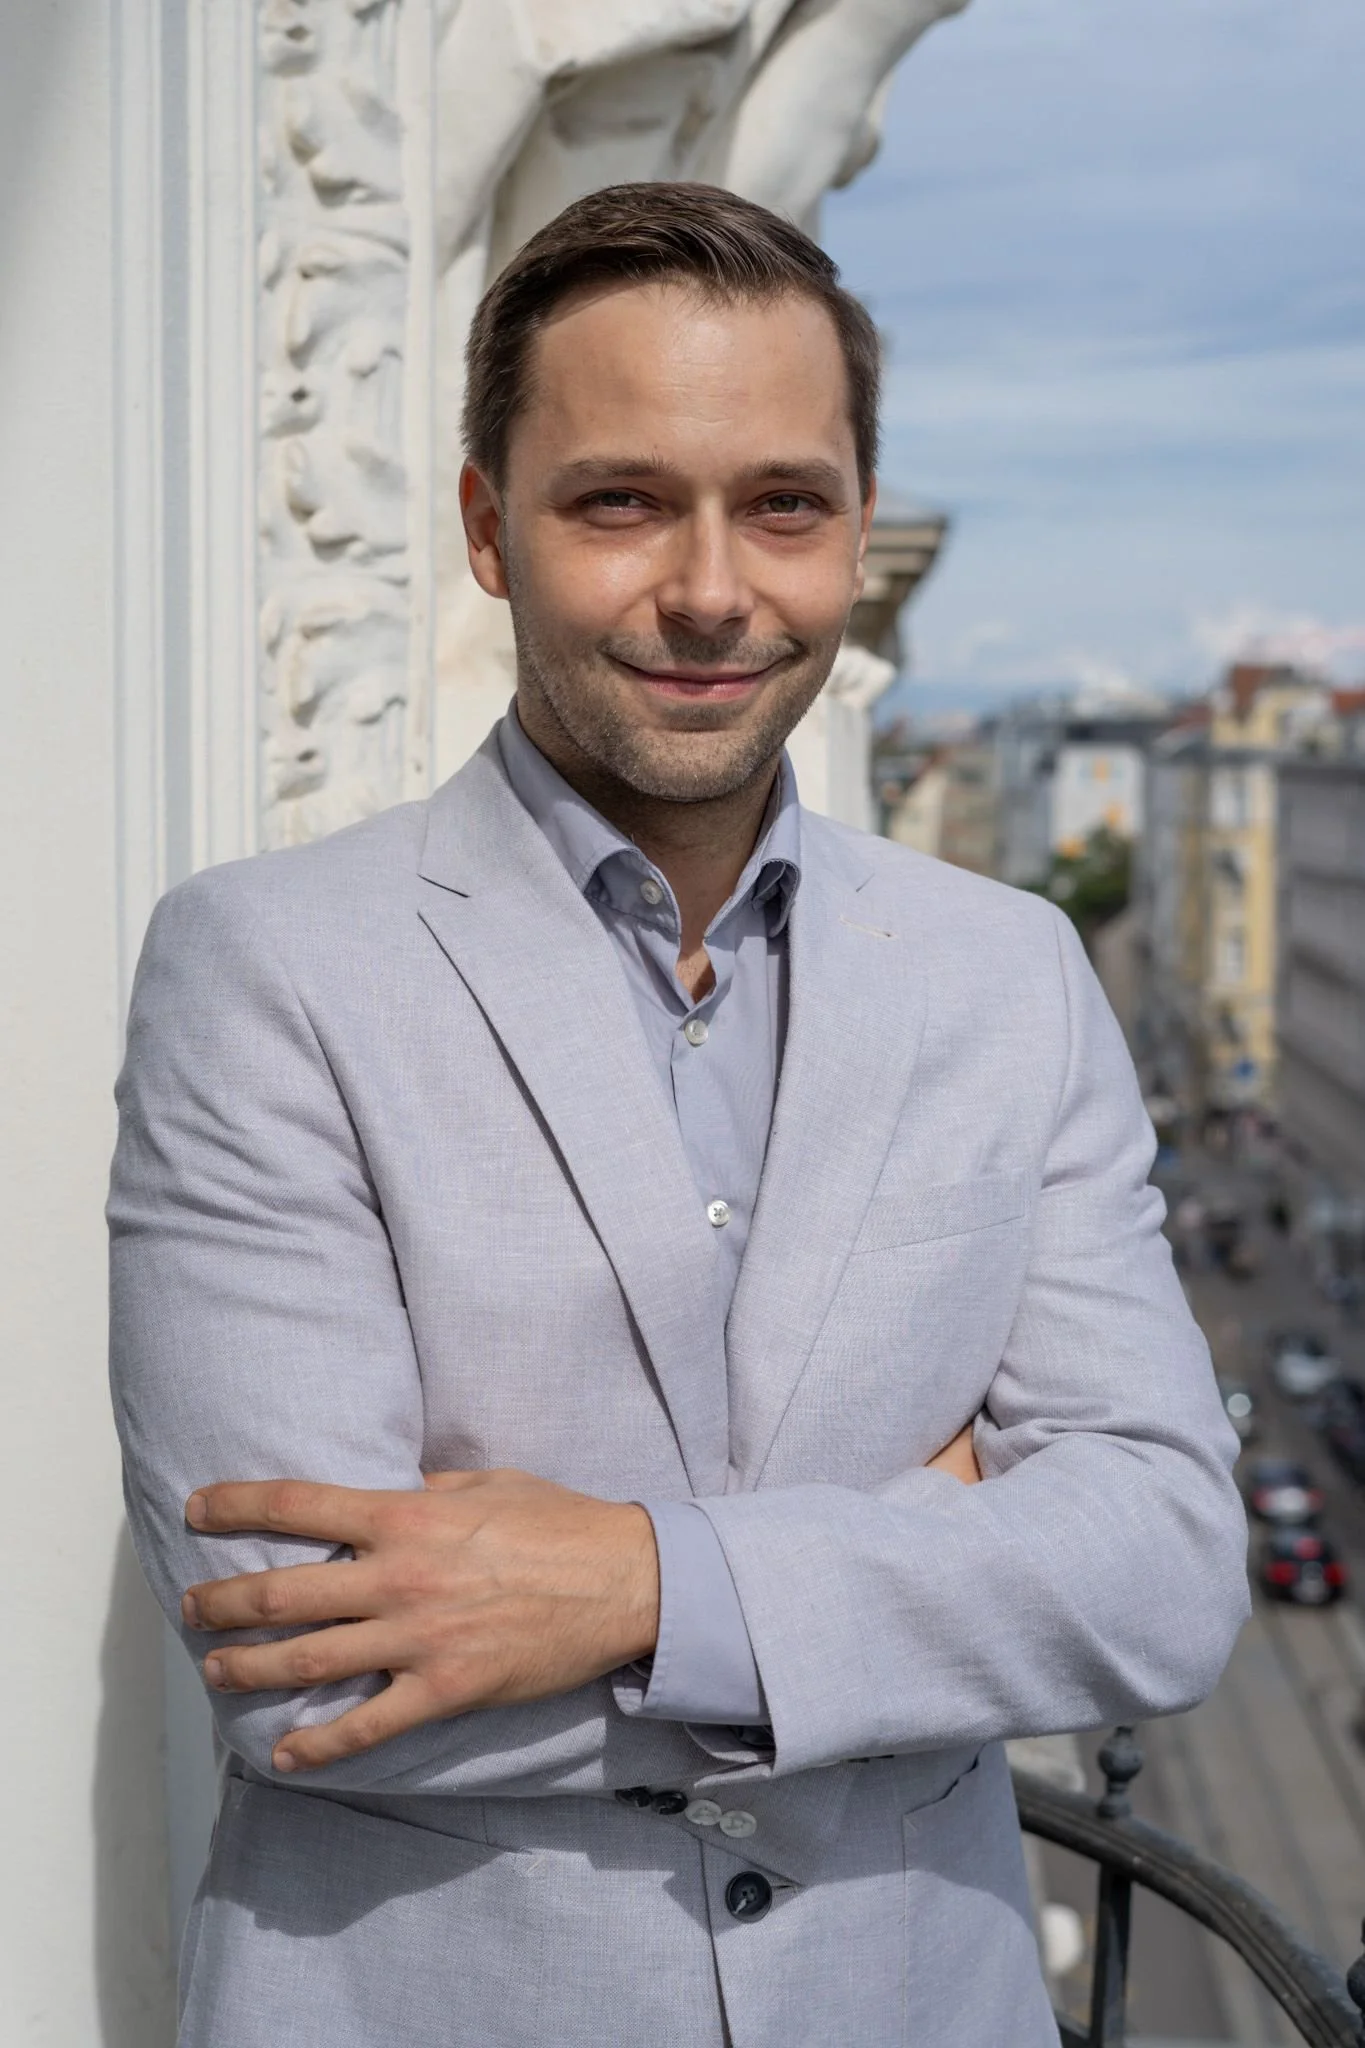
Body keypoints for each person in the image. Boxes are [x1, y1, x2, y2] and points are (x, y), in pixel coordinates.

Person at [109, 182, 1248, 2048]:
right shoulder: (266, 970)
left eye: (783, 506)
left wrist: (634, 1578)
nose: (714, 588)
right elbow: (298, 1663)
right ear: (490, 529)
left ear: (860, 534)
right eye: (620, 501)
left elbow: (1167, 1569)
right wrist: (939, 1544)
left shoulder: (1010, 969)